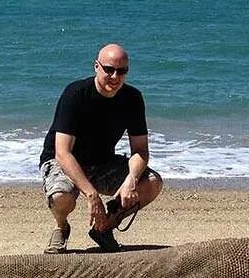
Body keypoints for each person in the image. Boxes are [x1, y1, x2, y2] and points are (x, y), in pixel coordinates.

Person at [39, 43, 163, 253]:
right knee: (62, 197)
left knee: (151, 183)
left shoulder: (132, 98)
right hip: (65, 162)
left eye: (122, 71)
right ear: (96, 66)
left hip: (102, 161)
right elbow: (62, 152)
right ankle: (61, 227)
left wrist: (131, 181)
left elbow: (140, 150)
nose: (115, 77)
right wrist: (91, 195)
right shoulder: (76, 94)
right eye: (109, 69)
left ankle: (105, 227)